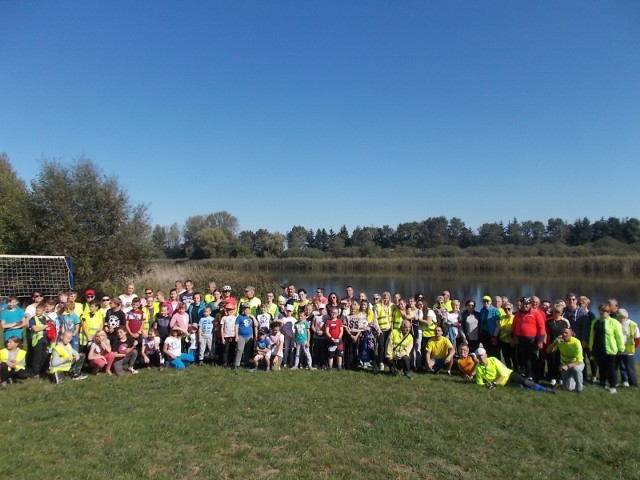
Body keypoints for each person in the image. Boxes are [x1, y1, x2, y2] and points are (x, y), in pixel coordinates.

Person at [474, 347, 555, 394]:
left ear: (486, 355)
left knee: (526, 382)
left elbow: (502, 375)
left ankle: (545, 390)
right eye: (478, 356)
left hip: (509, 374)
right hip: (503, 384)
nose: (481, 358)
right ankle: (533, 391)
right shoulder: (478, 367)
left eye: (482, 355)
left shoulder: (493, 360)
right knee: (520, 387)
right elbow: (479, 383)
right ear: (477, 358)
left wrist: (494, 384)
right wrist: (486, 385)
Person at [589, 303, 624, 393]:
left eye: (604, 311)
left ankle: (613, 386)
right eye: (600, 310)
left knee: (611, 368)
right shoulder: (595, 322)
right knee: (601, 367)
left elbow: (619, 336)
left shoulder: (614, 322)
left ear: (608, 312)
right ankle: (602, 383)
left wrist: (621, 348)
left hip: (610, 349)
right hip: (598, 348)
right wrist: (591, 347)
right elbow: (592, 336)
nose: (602, 312)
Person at [512, 297, 546, 381]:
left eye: (527, 304)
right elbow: (514, 326)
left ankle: (536, 376)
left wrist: (540, 340)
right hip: (521, 340)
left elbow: (541, 327)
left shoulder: (536, 313)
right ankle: (528, 375)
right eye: (523, 304)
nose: (525, 306)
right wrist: (514, 337)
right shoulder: (517, 314)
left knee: (534, 359)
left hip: (533, 341)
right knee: (524, 359)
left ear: (530, 304)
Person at [546, 325, 584, 393]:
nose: (564, 334)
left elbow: (579, 361)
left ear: (571, 334)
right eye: (563, 333)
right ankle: (572, 381)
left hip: (575, 364)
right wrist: (554, 343)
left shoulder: (576, 342)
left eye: (566, 333)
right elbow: (548, 351)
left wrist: (568, 366)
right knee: (568, 388)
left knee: (576, 369)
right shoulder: (559, 339)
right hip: (564, 364)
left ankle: (579, 389)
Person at [617, 308, 639, 387]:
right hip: (618, 350)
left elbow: (637, 339)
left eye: (618, 315)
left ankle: (633, 384)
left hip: (629, 351)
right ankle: (621, 381)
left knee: (630, 368)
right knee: (618, 367)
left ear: (622, 316)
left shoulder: (632, 325)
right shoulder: (617, 323)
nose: (617, 317)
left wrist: (634, 348)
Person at [28, 302, 52, 378]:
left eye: (39, 311)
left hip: (45, 341)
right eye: (36, 310)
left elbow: (50, 327)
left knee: (43, 357)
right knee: (37, 357)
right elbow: (35, 329)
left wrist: (46, 327)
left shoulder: (46, 318)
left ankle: (42, 371)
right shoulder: (33, 319)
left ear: (43, 311)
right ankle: (36, 373)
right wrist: (44, 327)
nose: (37, 312)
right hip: (37, 341)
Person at [234, 302, 257, 370]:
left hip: (249, 336)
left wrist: (253, 317)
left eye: (247, 309)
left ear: (250, 309)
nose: (246, 310)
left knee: (248, 350)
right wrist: (236, 336)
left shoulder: (251, 317)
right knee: (240, 350)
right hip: (241, 336)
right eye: (245, 309)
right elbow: (236, 326)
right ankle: (237, 364)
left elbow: (256, 325)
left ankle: (246, 363)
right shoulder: (239, 317)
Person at [325, 306, 344, 371]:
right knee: (331, 355)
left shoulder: (339, 321)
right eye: (332, 312)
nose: (334, 314)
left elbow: (341, 331)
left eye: (335, 313)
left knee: (339, 355)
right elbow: (327, 331)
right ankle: (330, 367)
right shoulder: (328, 322)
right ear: (330, 313)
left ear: (338, 314)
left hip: (339, 341)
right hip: (331, 341)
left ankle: (339, 367)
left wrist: (338, 338)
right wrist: (331, 338)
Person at [498, 303, 516, 370]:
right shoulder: (502, 317)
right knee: (506, 357)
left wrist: (506, 334)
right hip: (503, 341)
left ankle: (516, 371)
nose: (507, 310)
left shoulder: (514, 318)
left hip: (512, 341)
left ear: (512, 309)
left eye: (509, 309)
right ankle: (509, 371)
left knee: (514, 358)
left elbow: (513, 330)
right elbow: (499, 328)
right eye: (505, 309)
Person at [219, 303, 237, 367]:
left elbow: (236, 327)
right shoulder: (224, 318)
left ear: (233, 310)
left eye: (231, 309)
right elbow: (222, 328)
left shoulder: (235, 318)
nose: (229, 311)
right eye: (228, 309)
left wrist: (236, 336)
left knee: (232, 349)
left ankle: (232, 362)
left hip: (233, 336)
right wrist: (222, 338)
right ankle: (225, 362)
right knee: (225, 350)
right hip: (226, 336)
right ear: (226, 310)